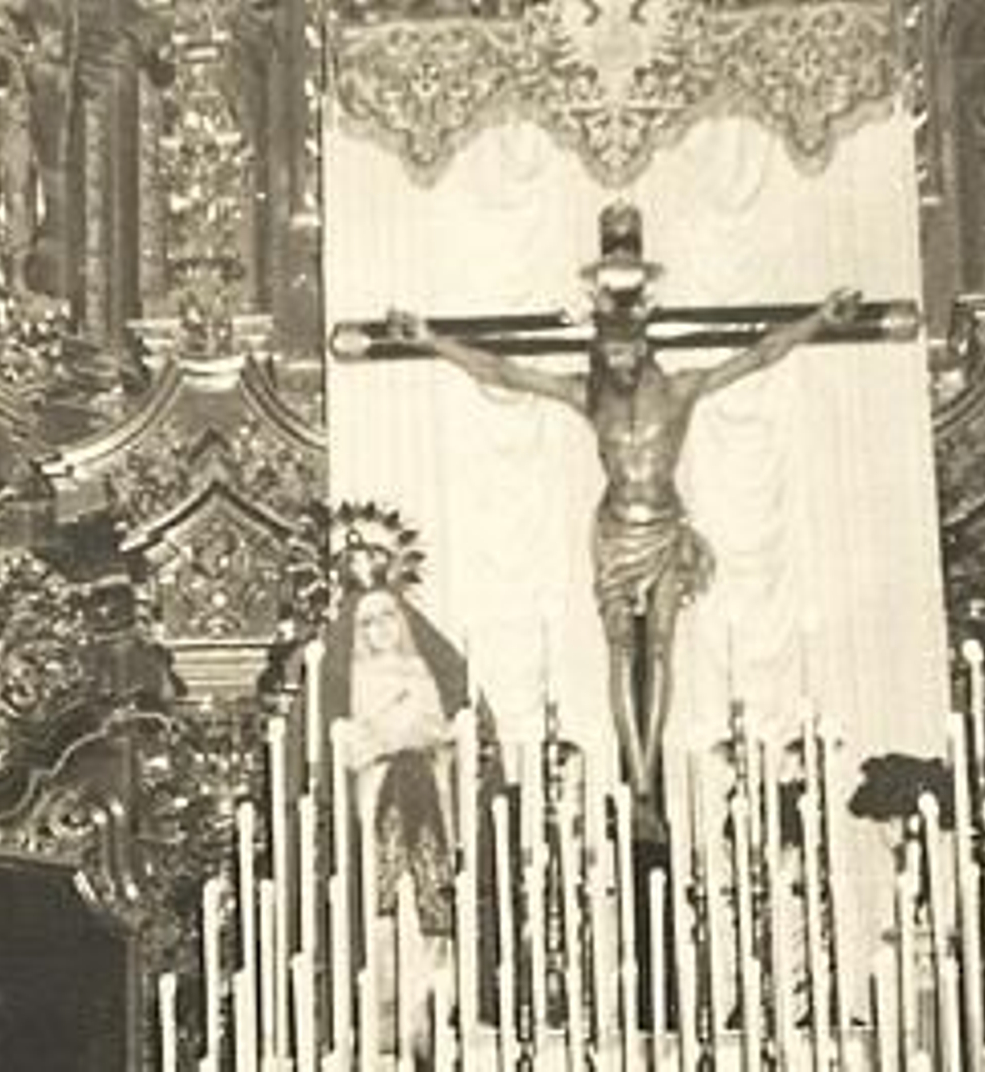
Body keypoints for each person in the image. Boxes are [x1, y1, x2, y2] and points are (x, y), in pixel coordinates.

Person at [384, 203, 861, 830]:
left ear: (647, 342)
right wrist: (430, 341)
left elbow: (761, 355)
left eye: (630, 350)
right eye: (611, 352)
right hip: (614, 531)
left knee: (659, 651)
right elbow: (502, 371)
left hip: (663, 528)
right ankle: (637, 783)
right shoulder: (588, 395)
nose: (622, 362)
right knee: (619, 653)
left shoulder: (684, 389)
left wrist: (820, 320)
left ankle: (644, 781)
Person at [329, 585, 455, 1061]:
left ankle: (429, 1015)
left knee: (428, 900)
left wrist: (422, 732)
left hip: (422, 790)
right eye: (367, 620)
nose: (379, 628)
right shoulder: (355, 676)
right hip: (378, 791)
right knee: (381, 901)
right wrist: (378, 730)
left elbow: (435, 730)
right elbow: (353, 743)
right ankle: (384, 1018)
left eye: (386, 616)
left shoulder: (419, 670)